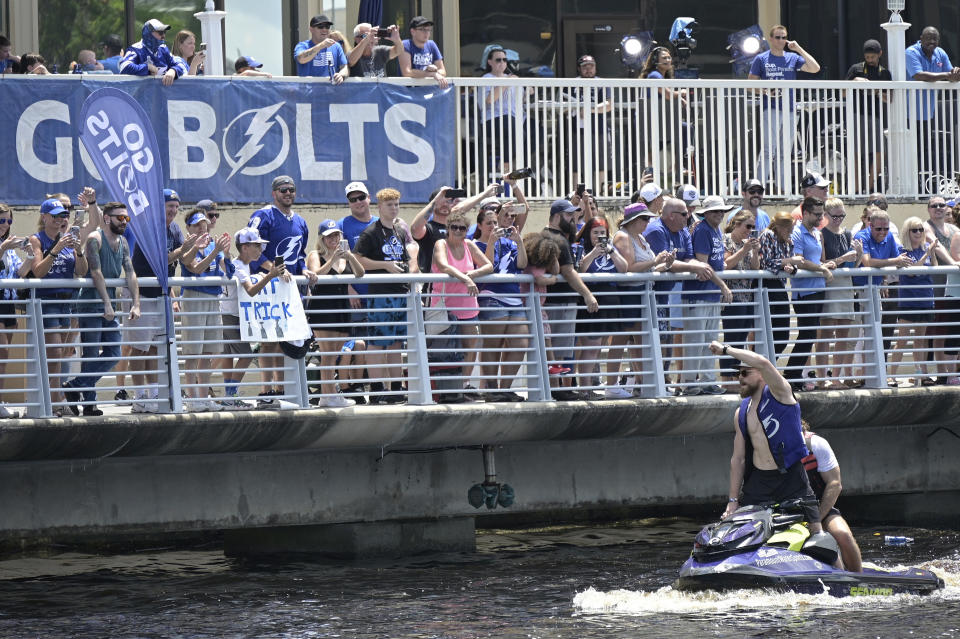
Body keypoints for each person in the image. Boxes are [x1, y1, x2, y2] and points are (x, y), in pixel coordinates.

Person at [714, 341, 822, 535]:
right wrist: (732, 501)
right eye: (738, 374)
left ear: (762, 374)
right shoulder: (741, 412)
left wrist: (725, 350)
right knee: (744, 534)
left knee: (816, 532)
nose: (740, 378)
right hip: (760, 482)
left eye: (745, 373)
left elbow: (763, 362)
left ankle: (839, 567)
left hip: (791, 477)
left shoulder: (781, 394)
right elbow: (738, 459)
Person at [61, 203, 140, 417]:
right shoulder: (95, 239)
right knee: (91, 355)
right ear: (107, 218)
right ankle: (89, 403)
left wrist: (136, 302)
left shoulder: (123, 241)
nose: (124, 222)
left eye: (126, 219)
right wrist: (106, 301)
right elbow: (95, 272)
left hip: (108, 305)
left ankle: (73, 388)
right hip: (90, 303)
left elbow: (130, 272)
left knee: (114, 353)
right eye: (119, 218)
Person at [247, 175, 318, 403]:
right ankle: (265, 390)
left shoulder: (300, 221)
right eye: (283, 190)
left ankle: (281, 388)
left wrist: (305, 269)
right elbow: (252, 248)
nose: (288, 193)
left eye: (291, 190)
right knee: (269, 338)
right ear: (274, 193)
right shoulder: (264, 215)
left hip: (290, 287)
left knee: (284, 337)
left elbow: (299, 255)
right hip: (269, 284)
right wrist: (274, 269)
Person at [126, 189, 195, 413]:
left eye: (176, 206)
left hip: (161, 294)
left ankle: (154, 392)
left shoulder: (174, 228)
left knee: (155, 346)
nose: (173, 210)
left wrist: (197, 248)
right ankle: (139, 396)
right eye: (169, 206)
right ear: (159, 206)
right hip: (142, 293)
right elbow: (160, 260)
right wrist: (182, 250)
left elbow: (183, 257)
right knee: (139, 347)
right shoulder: (149, 227)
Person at [26, 199, 89, 417]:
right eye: (55, 216)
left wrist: (78, 251)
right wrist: (55, 250)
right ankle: (53, 399)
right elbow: (38, 271)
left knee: (60, 355)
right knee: (52, 353)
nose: (60, 220)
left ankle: (54, 397)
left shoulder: (67, 238)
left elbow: (81, 270)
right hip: (48, 301)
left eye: (63, 216)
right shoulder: (37, 239)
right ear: (44, 218)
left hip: (66, 303)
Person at [643, 197, 716, 384]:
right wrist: (695, 267)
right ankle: (647, 383)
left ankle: (662, 382)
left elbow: (689, 258)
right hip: (647, 294)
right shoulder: (656, 230)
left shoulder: (683, 230)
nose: (688, 216)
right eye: (684, 213)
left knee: (664, 337)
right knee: (650, 340)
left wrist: (697, 266)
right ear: (670, 216)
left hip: (663, 295)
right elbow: (666, 263)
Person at [608, 202, 674, 398]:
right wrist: (656, 261)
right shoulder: (622, 236)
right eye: (645, 218)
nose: (648, 222)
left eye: (648, 218)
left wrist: (665, 264)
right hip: (628, 295)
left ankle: (644, 383)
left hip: (643, 294)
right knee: (620, 339)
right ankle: (612, 385)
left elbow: (648, 270)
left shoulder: (640, 237)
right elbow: (629, 267)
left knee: (641, 341)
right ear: (634, 220)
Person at [354, 188, 412, 404]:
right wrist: (385, 265)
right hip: (381, 294)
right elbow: (358, 259)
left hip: (400, 293)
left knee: (397, 343)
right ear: (379, 206)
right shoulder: (371, 232)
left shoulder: (398, 230)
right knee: (378, 343)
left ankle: (396, 388)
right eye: (390, 204)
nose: (394, 208)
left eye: (397, 204)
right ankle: (378, 388)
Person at [218, 227, 286, 408]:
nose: (261, 250)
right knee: (245, 355)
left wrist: (260, 276)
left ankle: (229, 396)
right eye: (257, 246)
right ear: (245, 247)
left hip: (229, 314)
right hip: (229, 316)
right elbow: (250, 290)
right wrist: (270, 275)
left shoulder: (243, 265)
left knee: (228, 355)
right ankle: (229, 395)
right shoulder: (239, 265)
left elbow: (247, 284)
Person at [541, 199, 600, 400]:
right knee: (556, 350)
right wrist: (587, 294)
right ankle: (557, 389)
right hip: (559, 301)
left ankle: (557, 388)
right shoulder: (557, 239)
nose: (573, 218)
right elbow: (568, 271)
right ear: (557, 216)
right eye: (568, 215)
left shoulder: (549, 235)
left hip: (554, 300)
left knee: (556, 349)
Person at [748, 25, 820, 190]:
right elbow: (749, 85)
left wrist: (798, 48)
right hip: (771, 108)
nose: (781, 41)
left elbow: (815, 68)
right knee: (768, 151)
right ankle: (759, 188)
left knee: (784, 152)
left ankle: (782, 188)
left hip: (790, 110)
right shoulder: (761, 58)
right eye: (778, 37)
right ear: (771, 39)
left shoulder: (792, 58)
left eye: (784, 37)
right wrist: (766, 90)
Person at [431, 211, 493, 401]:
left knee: (469, 346)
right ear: (448, 229)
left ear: (467, 230)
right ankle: (446, 390)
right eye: (454, 227)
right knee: (445, 350)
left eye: (462, 228)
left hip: (468, 306)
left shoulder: (469, 245)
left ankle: (463, 386)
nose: (458, 231)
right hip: (444, 307)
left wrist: (469, 276)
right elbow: (443, 266)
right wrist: (466, 278)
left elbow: (488, 266)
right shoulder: (441, 243)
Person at [306, 219, 366, 408]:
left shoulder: (344, 255)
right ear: (322, 239)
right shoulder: (316, 254)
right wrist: (332, 259)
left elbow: (360, 273)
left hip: (341, 308)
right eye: (329, 236)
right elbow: (316, 275)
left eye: (336, 235)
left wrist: (350, 257)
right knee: (327, 353)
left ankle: (330, 394)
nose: (333, 239)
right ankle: (328, 394)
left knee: (335, 353)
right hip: (324, 309)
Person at [677, 197, 734, 396]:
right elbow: (703, 265)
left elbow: (717, 262)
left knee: (710, 340)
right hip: (698, 294)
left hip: (710, 295)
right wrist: (723, 286)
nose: (720, 214)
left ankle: (708, 381)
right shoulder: (702, 230)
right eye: (715, 211)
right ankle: (691, 383)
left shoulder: (715, 229)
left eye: (722, 211)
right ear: (706, 213)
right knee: (696, 340)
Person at [473, 203, 528, 402]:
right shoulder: (475, 244)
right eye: (489, 223)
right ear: (479, 225)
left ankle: (504, 388)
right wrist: (491, 242)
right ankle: (492, 389)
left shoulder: (510, 242)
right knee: (493, 345)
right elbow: (489, 267)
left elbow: (522, 265)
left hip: (514, 299)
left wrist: (519, 242)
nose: (493, 226)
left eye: (495, 223)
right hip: (492, 297)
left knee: (520, 343)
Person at [178, 209, 231, 411]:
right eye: (196, 225)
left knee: (208, 352)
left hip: (212, 297)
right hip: (194, 297)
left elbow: (228, 270)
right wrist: (215, 251)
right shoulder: (187, 246)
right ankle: (193, 399)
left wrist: (225, 253)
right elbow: (195, 267)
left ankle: (203, 396)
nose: (202, 227)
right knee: (193, 352)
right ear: (188, 228)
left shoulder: (211, 245)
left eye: (204, 223)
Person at [573, 215, 627, 397]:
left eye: (602, 233)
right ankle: (585, 388)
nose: (598, 236)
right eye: (595, 232)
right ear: (588, 233)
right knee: (590, 346)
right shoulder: (582, 248)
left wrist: (610, 251)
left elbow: (624, 268)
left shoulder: (612, 248)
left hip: (611, 302)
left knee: (598, 347)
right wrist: (594, 252)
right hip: (592, 301)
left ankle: (590, 387)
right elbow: (580, 269)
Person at [800, 422, 862, 571]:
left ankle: (859, 579)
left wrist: (817, 518)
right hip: (790, 510)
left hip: (820, 507)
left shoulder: (817, 444)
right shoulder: (771, 448)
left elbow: (835, 484)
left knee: (844, 535)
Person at [786, 197, 833, 391]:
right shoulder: (797, 232)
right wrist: (822, 269)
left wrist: (824, 266)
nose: (820, 218)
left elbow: (816, 259)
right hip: (804, 291)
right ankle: (791, 374)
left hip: (817, 288)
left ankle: (794, 374)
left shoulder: (815, 232)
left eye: (821, 214)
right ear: (805, 213)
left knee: (810, 333)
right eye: (816, 214)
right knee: (807, 333)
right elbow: (799, 260)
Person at [905, 26, 960, 188]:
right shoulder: (911, 52)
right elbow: (919, 75)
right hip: (908, 112)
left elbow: (951, 73)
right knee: (911, 152)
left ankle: (919, 185)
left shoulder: (940, 53)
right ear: (921, 38)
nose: (931, 41)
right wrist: (947, 75)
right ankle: (911, 185)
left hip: (927, 113)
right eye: (928, 38)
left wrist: (955, 72)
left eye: (935, 38)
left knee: (922, 151)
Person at [818, 198, 862, 388]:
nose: (838, 219)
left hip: (846, 286)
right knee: (825, 334)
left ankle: (836, 378)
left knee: (843, 335)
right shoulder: (821, 234)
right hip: (830, 285)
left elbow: (855, 265)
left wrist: (858, 254)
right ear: (826, 215)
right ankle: (822, 378)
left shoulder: (848, 233)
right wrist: (844, 257)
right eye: (835, 216)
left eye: (841, 215)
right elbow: (824, 262)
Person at [889, 216, 938, 387]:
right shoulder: (903, 250)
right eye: (914, 230)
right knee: (902, 340)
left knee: (921, 340)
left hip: (926, 298)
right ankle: (891, 375)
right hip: (909, 299)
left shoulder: (925, 248)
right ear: (907, 232)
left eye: (921, 229)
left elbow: (934, 268)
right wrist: (927, 254)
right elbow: (911, 272)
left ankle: (920, 374)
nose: (918, 233)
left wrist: (931, 253)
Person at [720, 210, 761, 385]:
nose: (750, 230)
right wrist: (744, 250)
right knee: (732, 337)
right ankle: (726, 378)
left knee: (740, 339)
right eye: (747, 226)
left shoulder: (746, 243)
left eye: (753, 227)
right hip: (731, 296)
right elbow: (726, 265)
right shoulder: (726, 240)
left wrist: (754, 252)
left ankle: (734, 377)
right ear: (736, 224)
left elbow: (754, 268)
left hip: (746, 295)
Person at [846, 39, 892, 192]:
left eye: (873, 57)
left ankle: (870, 187)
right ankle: (857, 189)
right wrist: (855, 80)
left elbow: (890, 98)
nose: (870, 60)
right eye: (867, 57)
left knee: (880, 151)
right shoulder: (856, 69)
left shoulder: (884, 73)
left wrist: (877, 91)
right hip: (856, 114)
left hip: (877, 116)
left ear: (880, 54)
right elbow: (843, 93)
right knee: (856, 152)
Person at [758, 211, 803, 360]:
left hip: (779, 286)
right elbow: (766, 263)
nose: (790, 232)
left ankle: (768, 367)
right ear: (778, 226)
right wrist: (788, 262)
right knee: (766, 333)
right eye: (787, 228)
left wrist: (791, 267)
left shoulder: (788, 240)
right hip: (765, 286)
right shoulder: (767, 235)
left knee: (782, 335)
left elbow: (790, 263)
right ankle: (761, 370)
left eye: (791, 229)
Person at [480, 46, 531, 173]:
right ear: (490, 62)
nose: (502, 63)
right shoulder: (486, 78)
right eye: (498, 60)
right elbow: (490, 100)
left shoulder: (512, 78)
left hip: (515, 119)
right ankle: (505, 164)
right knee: (511, 124)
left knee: (536, 130)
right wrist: (507, 81)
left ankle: (515, 163)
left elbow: (522, 101)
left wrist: (528, 90)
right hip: (493, 119)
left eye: (504, 60)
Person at [0, 204, 27, 417]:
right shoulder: (4, 247)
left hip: (8, 302)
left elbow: (19, 273)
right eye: (1, 221)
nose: (5, 225)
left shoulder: (7, 246)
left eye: (8, 221)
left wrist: (31, 254)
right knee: (2, 352)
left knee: (4, 355)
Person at [119, 19, 187, 86]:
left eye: (164, 32)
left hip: (164, 94)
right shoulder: (136, 49)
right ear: (148, 33)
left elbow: (181, 65)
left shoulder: (163, 48)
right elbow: (124, 67)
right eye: (160, 33)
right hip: (140, 95)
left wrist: (173, 71)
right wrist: (147, 67)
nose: (163, 36)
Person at [295, 14, 349, 83]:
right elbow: (301, 59)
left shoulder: (336, 46)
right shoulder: (302, 46)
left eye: (327, 27)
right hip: (308, 92)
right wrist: (321, 46)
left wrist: (341, 75)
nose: (324, 30)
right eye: (320, 27)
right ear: (311, 29)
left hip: (331, 91)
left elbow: (344, 67)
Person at [399, 16, 447, 88]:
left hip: (427, 92)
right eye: (422, 29)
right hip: (408, 94)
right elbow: (407, 72)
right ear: (413, 32)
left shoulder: (432, 44)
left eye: (428, 30)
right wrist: (430, 74)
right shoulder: (405, 45)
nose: (426, 33)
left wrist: (434, 71)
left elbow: (443, 71)